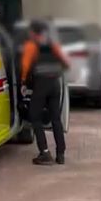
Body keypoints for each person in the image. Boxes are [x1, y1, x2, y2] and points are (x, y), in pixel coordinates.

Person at [21, 20, 70, 166]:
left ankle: (44, 152)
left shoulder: (31, 46)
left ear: (32, 32)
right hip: (55, 84)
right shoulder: (53, 44)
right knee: (56, 119)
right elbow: (65, 63)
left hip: (41, 85)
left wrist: (23, 82)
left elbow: (25, 66)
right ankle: (60, 154)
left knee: (34, 116)